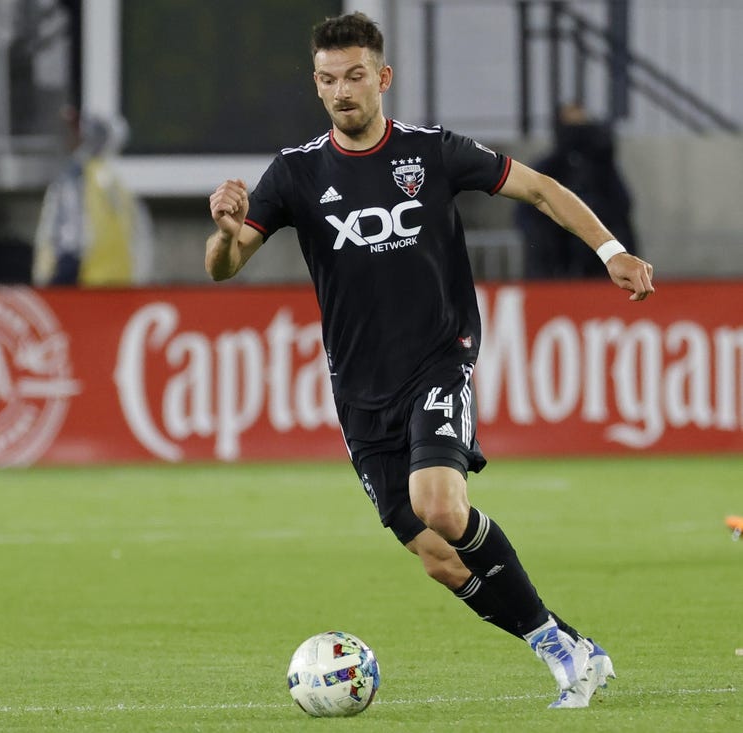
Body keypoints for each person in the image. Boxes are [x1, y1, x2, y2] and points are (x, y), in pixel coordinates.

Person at [206, 12, 654, 709]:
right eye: (328, 79)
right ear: (317, 86)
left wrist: (611, 250)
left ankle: (566, 656)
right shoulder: (294, 172)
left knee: (439, 503)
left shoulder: (432, 151)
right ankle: (564, 643)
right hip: (359, 392)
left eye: (355, 76)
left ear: (381, 78)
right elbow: (224, 268)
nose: (341, 91)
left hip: (439, 361)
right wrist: (228, 233)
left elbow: (539, 187)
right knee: (440, 559)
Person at [516, 103, 639, 279]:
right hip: (556, 247)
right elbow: (525, 213)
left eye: (581, 125)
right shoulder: (550, 167)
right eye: (571, 125)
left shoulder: (602, 168)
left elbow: (623, 204)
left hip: (596, 250)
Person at [33, 108, 153, 287]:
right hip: (119, 284)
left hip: (84, 282)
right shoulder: (118, 182)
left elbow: (70, 239)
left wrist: (53, 278)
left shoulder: (80, 178)